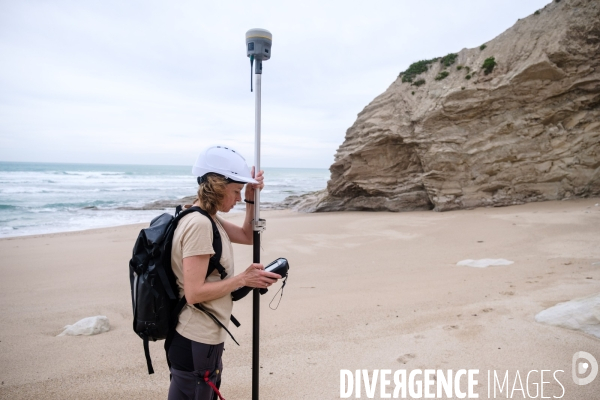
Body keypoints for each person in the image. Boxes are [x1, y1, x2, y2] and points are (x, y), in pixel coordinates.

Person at [168, 145, 281, 400]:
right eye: (236, 192)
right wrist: (243, 279)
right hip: (195, 337)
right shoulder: (199, 224)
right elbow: (194, 293)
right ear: (218, 186)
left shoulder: (208, 218)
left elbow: (246, 236)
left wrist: (252, 196)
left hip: (201, 338)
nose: (238, 199)